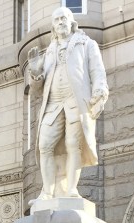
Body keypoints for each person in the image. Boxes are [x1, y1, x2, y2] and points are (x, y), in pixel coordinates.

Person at [28, 7, 109, 202]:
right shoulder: (49, 52)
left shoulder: (87, 44)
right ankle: (47, 192)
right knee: (44, 145)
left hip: (76, 103)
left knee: (74, 145)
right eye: (56, 20)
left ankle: (72, 190)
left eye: (64, 18)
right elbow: (37, 89)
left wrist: (99, 93)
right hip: (53, 104)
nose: (60, 22)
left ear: (72, 22)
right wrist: (36, 72)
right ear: (53, 27)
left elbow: (98, 72)